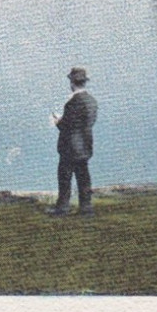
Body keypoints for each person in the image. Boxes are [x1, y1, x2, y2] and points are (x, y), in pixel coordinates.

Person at [47, 66, 98, 217]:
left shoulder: (72, 103)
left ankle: (62, 208)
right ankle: (86, 208)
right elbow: (86, 123)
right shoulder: (92, 101)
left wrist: (57, 121)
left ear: (72, 83)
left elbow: (66, 126)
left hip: (69, 147)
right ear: (84, 82)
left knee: (65, 178)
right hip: (85, 145)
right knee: (84, 178)